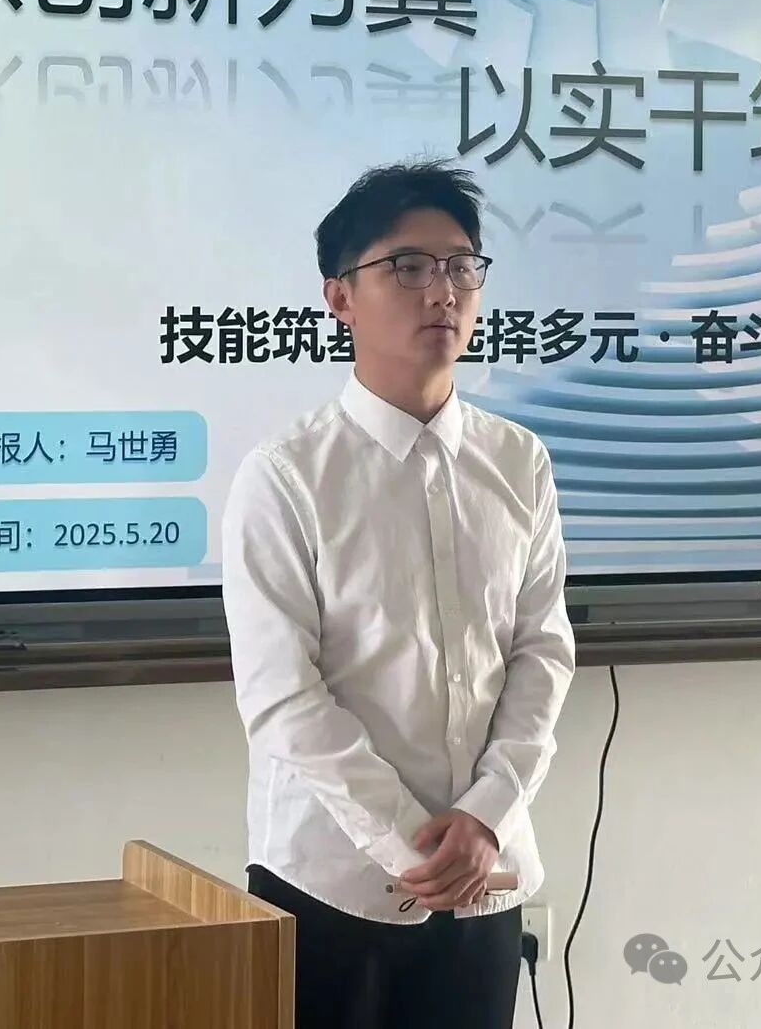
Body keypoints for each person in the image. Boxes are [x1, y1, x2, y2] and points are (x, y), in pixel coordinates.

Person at [221, 158, 577, 1029]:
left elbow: (541, 653)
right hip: (329, 887)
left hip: (485, 880)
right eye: (408, 267)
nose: (443, 291)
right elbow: (282, 697)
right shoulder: (286, 476)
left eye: (461, 266)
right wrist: (414, 844)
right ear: (339, 297)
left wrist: (485, 818)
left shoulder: (518, 462)